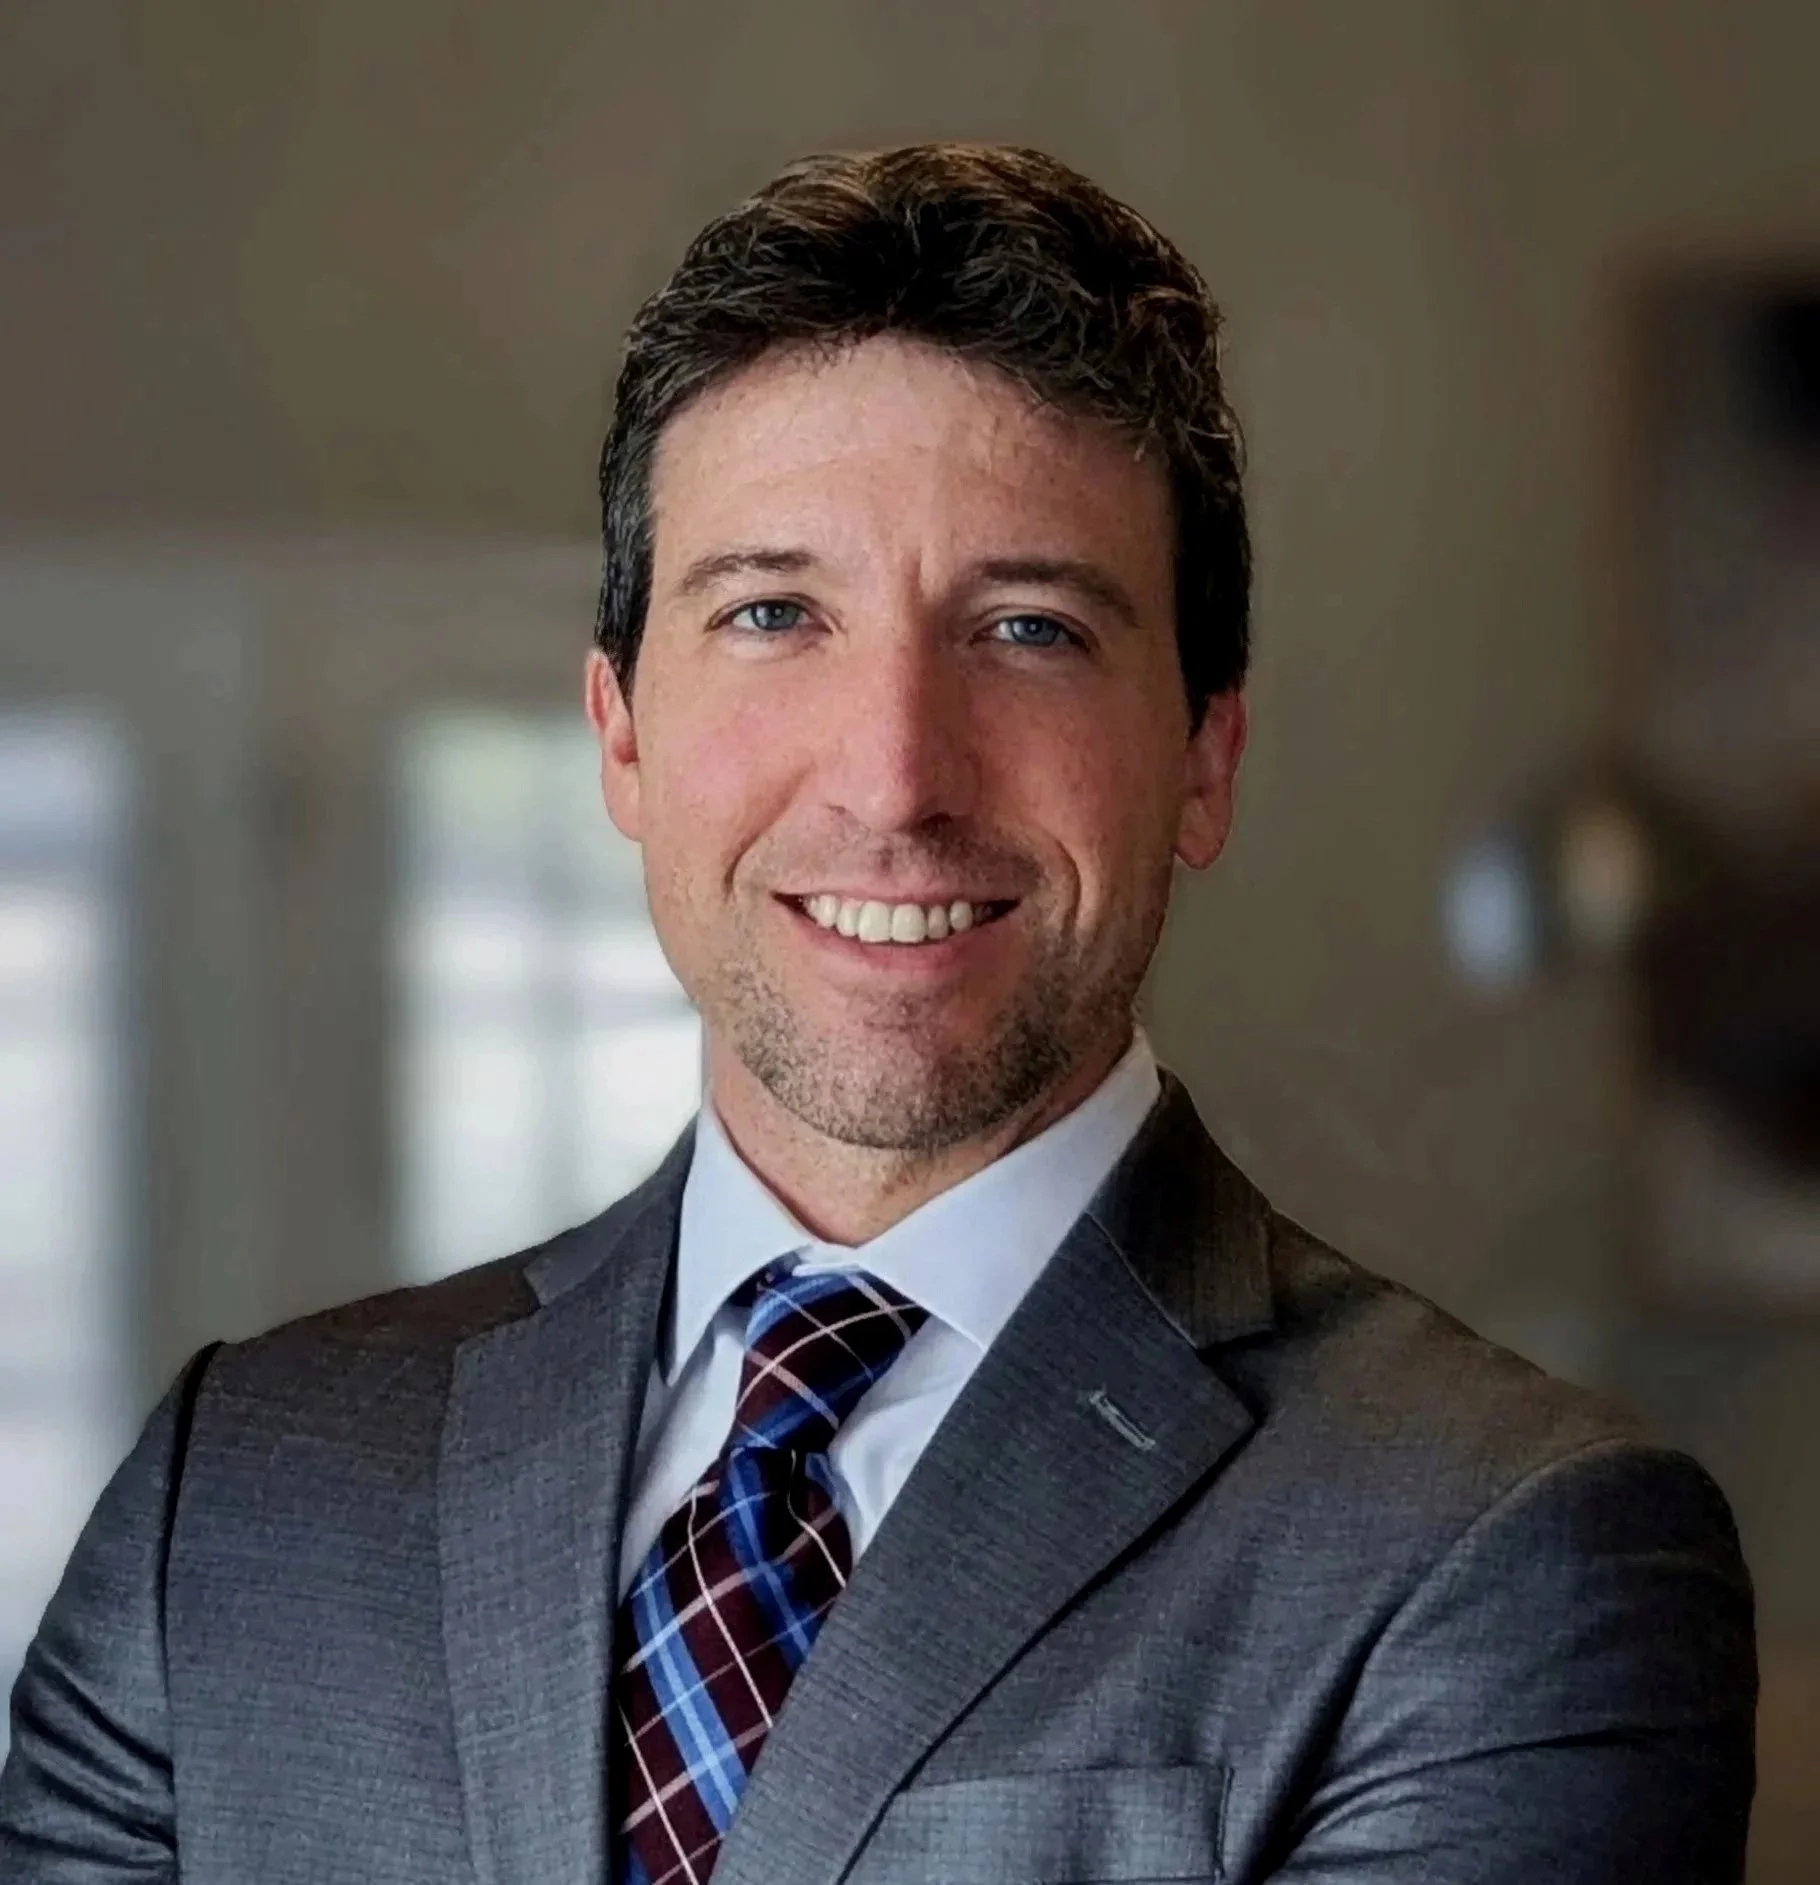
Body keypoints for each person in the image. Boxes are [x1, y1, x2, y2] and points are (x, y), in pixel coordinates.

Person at [0, 143, 1755, 1885]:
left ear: (1206, 756)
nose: (897, 774)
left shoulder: (1505, 1553)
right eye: (774, 614)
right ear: (619, 735)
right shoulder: (236, 1501)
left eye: (1030, 629)